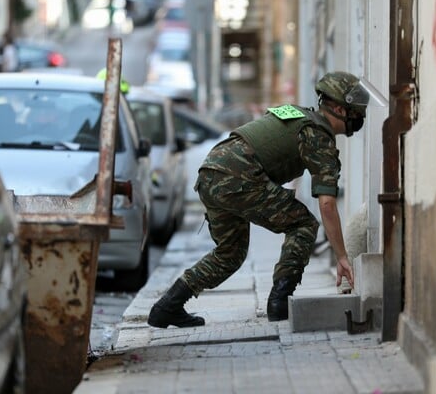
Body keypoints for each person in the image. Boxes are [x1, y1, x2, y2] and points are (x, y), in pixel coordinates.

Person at [147, 71, 386, 328]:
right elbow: (327, 205)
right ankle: (279, 301)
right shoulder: (319, 137)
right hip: (239, 176)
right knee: (303, 224)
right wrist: (342, 256)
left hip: (211, 172)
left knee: (230, 254)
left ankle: (167, 306)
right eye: (355, 110)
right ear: (339, 108)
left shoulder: (298, 114)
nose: (359, 116)